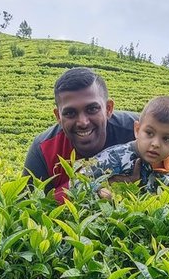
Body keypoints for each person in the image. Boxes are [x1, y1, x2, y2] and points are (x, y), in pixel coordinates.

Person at [23, 67, 138, 203]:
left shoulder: (139, 132)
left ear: (108, 109)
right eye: (70, 113)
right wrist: (92, 187)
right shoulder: (43, 149)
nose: (83, 122)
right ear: (58, 116)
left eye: (92, 109)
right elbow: (29, 209)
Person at [75, 96, 169, 200]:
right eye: (149, 133)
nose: (155, 144)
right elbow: (76, 181)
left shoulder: (168, 167)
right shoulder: (115, 157)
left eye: (167, 139)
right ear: (137, 130)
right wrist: (99, 190)